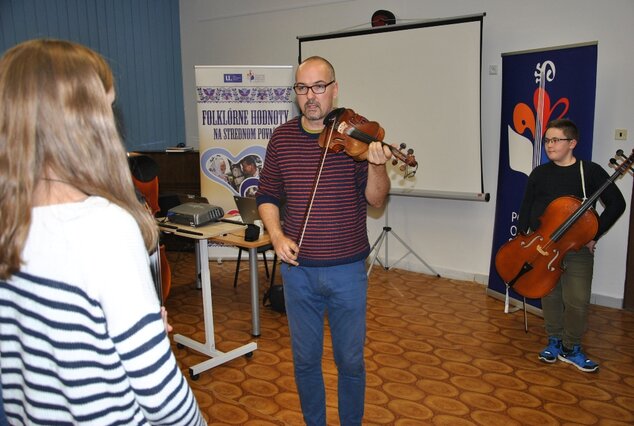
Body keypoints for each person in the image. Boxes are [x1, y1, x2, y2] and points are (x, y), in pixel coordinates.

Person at [0, 39, 205, 424]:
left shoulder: (9, 219)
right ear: (82, 123)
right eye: (106, 110)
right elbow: (158, 392)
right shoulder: (104, 228)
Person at [256, 56, 392, 425]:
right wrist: (276, 234)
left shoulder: (358, 138)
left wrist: (378, 164)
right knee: (304, 360)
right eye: (302, 88)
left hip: (347, 269)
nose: (310, 96)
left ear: (334, 89)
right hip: (298, 272)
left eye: (319, 86)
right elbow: (266, 194)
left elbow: (377, 200)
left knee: (350, 361)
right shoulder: (282, 138)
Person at [518, 118, 625, 373]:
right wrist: (524, 237)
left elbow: (616, 204)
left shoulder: (590, 171)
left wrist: (594, 235)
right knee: (550, 294)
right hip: (543, 245)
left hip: (576, 248)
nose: (549, 145)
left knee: (576, 299)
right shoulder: (539, 173)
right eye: (547, 141)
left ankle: (571, 347)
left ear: (572, 143)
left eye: (555, 140)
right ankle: (553, 341)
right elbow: (527, 206)